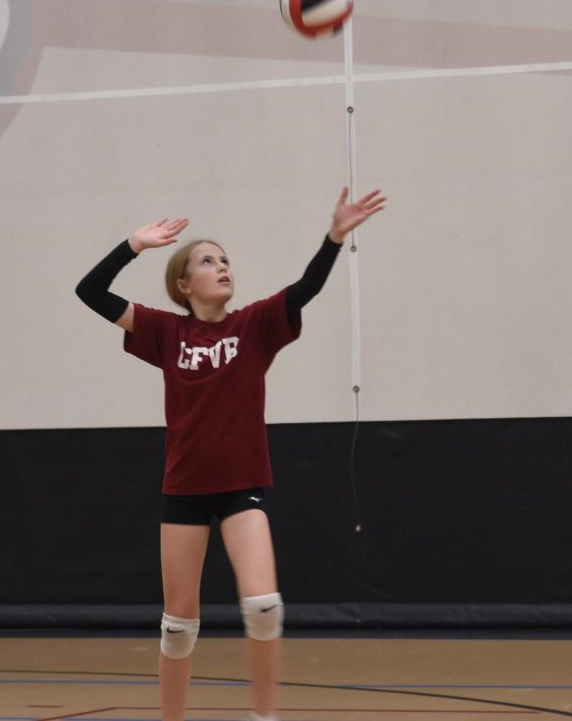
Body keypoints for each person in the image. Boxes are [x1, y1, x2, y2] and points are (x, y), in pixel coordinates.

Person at [75, 187, 385, 721]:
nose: (221, 267)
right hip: (184, 494)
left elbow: (305, 288)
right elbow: (90, 291)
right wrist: (133, 244)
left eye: (225, 260)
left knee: (264, 608)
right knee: (178, 628)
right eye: (207, 260)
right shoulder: (165, 331)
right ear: (183, 284)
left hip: (242, 488)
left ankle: (264, 717)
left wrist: (334, 238)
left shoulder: (255, 325)